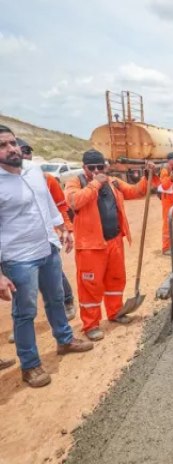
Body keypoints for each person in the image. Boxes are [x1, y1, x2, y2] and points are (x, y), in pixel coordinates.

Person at [0, 125, 93, 388]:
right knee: (25, 312)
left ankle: (65, 340)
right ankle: (30, 365)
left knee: (56, 299)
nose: (11, 149)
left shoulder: (33, 171)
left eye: (12, 143)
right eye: (3, 146)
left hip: (47, 248)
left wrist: (62, 227)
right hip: (18, 259)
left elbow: (48, 203)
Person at [64, 150, 158, 341]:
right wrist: (96, 183)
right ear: (84, 168)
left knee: (115, 279)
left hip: (114, 240)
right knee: (90, 286)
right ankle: (91, 324)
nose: (97, 170)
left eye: (100, 167)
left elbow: (135, 191)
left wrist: (147, 176)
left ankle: (115, 312)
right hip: (90, 247)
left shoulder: (113, 182)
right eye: (92, 168)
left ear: (106, 166)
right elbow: (75, 201)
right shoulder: (76, 182)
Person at [17, 138, 76, 320]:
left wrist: (66, 229)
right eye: (23, 153)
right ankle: (24, 316)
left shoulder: (45, 179)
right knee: (22, 282)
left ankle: (67, 301)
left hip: (45, 238)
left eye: (28, 153)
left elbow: (59, 206)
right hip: (19, 243)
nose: (27, 156)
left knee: (55, 273)